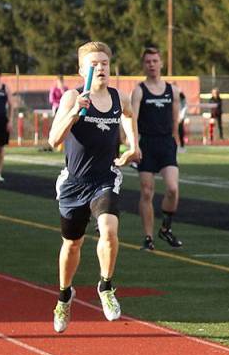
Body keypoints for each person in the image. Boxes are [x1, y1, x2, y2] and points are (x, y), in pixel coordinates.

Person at [47, 41, 139, 333]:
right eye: (94, 64)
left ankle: (106, 286)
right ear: (81, 69)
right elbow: (53, 140)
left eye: (104, 63)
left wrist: (133, 146)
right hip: (74, 183)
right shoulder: (72, 96)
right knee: (72, 243)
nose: (100, 68)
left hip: (105, 178)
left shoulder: (117, 97)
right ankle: (64, 296)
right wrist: (75, 111)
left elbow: (129, 114)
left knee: (109, 230)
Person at [130, 46, 183, 251]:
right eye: (148, 61)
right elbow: (133, 119)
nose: (152, 65)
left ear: (161, 63)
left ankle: (165, 229)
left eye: (155, 61)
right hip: (147, 144)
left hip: (166, 144)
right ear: (144, 65)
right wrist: (134, 145)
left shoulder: (173, 91)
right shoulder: (139, 90)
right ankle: (148, 237)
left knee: (172, 188)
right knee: (146, 192)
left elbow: (175, 118)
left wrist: (176, 140)